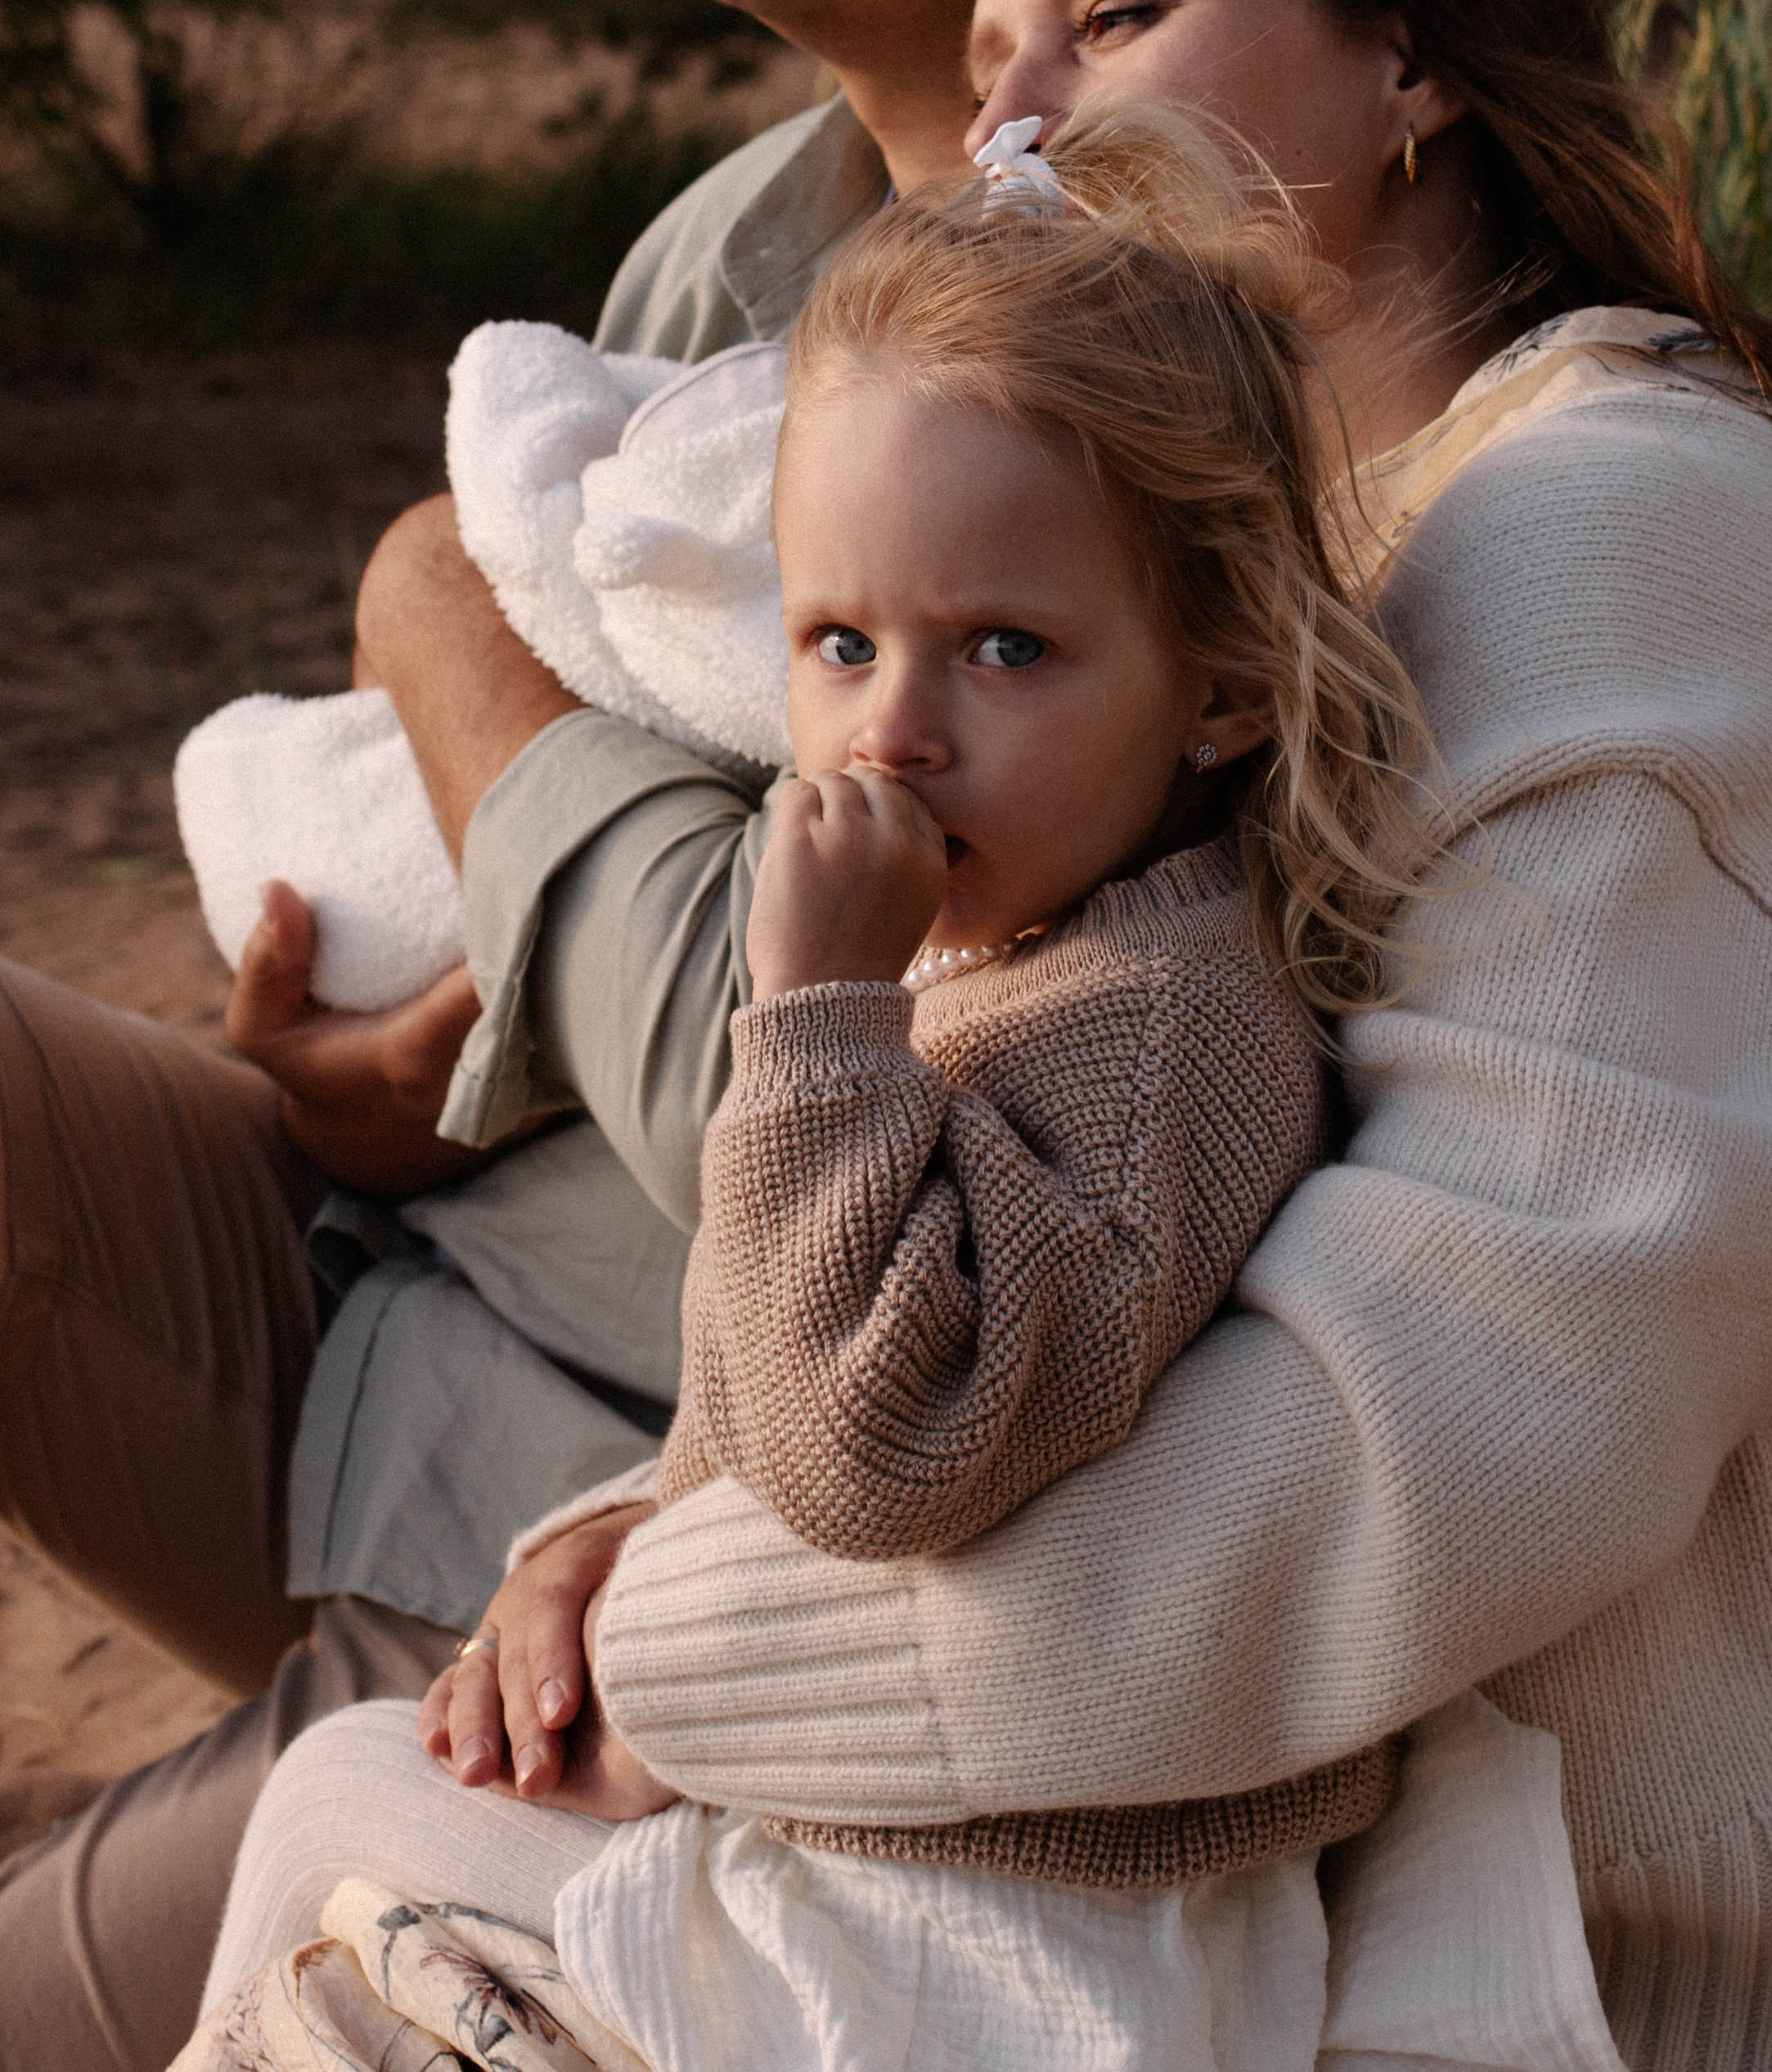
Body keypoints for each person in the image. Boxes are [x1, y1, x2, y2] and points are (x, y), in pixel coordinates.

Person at [422, 0, 1772, 2068]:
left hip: (1651, 1994)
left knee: (324, 1861)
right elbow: (1134, 1248)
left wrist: (682, 1636)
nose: (1018, 129)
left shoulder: (1621, 538)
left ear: (1408, 62)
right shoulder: (1313, 594)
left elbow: (1380, 1458)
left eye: (1111, 21)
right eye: (994, 65)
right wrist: (638, 1517)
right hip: (1327, 1936)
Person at [0, 0, 1373, 2070]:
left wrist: (427, 631)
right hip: (405, 1262)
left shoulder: (1208, 362)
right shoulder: (738, 244)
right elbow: (622, 919)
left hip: (632, 1534)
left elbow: (869, 968)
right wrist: (444, 1016)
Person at [187, 106, 1443, 2072]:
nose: (897, 731)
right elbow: (773, 1393)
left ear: (1220, 680)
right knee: (339, 1808)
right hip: (897, 1866)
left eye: (1005, 648)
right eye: (839, 640)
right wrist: (604, 1533)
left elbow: (889, 1442)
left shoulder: (1163, 1026)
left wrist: (816, 1018)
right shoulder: (1037, 952)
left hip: (1017, 1941)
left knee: (339, 1814)